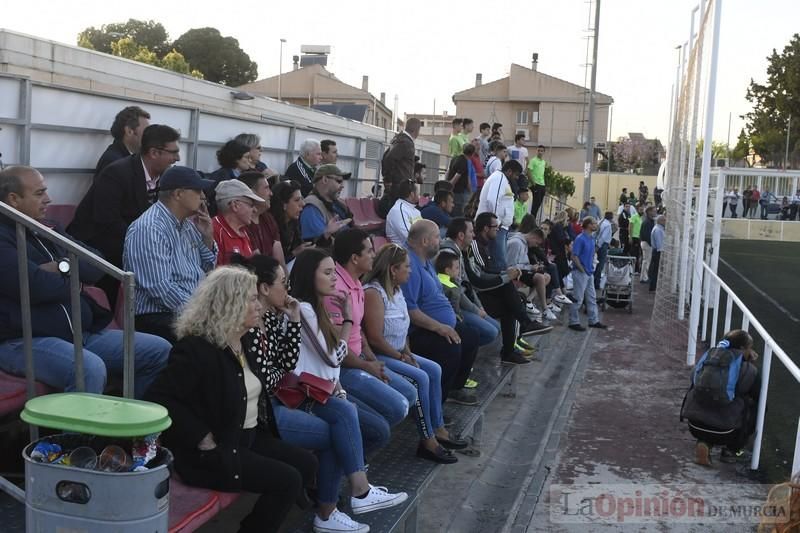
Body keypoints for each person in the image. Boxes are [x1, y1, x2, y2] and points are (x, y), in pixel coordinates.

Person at [143, 266, 318, 533]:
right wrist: (201, 436)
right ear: (230, 304)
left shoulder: (245, 340)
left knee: (307, 464)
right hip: (211, 451)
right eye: (250, 298)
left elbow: (277, 370)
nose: (258, 304)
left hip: (245, 437)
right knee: (288, 481)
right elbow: (159, 398)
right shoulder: (196, 348)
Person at [0, 166, 169, 397]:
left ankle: (138, 431)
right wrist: (74, 281)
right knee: (88, 368)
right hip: (24, 340)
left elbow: (97, 264)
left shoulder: (49, 228)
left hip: (80, 332)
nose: (48, 199)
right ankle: (77, 435)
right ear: (14, 199)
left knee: (158, 350)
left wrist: (62, 267)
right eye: (39, 193)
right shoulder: (3, 237)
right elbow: (35, 286)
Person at [287, 249, 409, 529]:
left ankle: (339, 499)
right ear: (309, 276)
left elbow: (330, 364)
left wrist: (339, 388)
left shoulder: (316, 309)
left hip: (325, 391)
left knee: (375, 429)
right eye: (327, 273)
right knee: (346, 422)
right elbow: (334, 357)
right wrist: (349, 319)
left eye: (333, 272)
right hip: (304, 395)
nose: (333, 279)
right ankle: (355, 493)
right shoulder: (303, 309)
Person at [363, 244, 468, 463]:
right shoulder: (374, 293)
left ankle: (438, 428)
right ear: (393, 269)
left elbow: (402, 329)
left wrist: (407, 352)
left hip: (399, 351)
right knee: (420, 378)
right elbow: (374, 338)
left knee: (434, 369)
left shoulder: (398, 290)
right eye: (406, 267)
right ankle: (427, 441)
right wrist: (401, 357)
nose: (410, 271)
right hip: (380, 355)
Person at [326, 230, 417, 450]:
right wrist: (368, 366)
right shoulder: (336, 289)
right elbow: (338, 349)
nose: (374, 255)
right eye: (369, 251)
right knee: (397, 407)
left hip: (360, 360)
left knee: (409, 394)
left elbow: (359, 330)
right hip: (344, 368)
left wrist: (371, 358)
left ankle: (356, 446)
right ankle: (350, 450)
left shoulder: (355, 283)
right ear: (354, 258)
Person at [123, 166, 218, 344]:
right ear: (178, 194)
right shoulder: (150, 228)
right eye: (197, 190)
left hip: (186, 309)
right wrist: (201, 313)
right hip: (157, 316)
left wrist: (207, 238)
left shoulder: (189, 225)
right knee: (213, 340)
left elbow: (207, 271)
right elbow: (160, 289)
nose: (203, 196)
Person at [69, 124, 181, 270]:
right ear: (154, 153)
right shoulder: (116, 174)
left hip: (131, 245)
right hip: (97, 249)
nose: (177, 158)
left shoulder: (165, 177)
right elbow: (107, 222)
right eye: (174, 152)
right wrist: (147, 243)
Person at [402, 220, 480, 405]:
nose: (441, 240)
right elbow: (409, 310)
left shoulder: (426, 260)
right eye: (437, 237)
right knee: (451, 348)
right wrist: (440, 328)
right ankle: (434, 404)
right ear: (425, 241)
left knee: (471, 336)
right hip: (419, 331)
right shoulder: (409, 265)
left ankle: (453, 389)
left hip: (440, 324)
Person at [469, 213, 553, 364]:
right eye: (496, 227)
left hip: (482, 290)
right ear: (486, 228)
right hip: (475, 295)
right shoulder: (475, 245)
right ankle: (525, 325)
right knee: (509, 289)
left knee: (512, 303)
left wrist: (505, 274)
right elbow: (479, 278)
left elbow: (486, 273)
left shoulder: (484, 245)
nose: (498, 230)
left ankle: (510, 351)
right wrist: (505, 276)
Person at [681, 330, 760, 466]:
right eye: (749, 348)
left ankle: (704, 442)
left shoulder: (706, 361)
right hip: (726, 431)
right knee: (757, 406)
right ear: (742, 349)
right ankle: (732, 451)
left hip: (695, 425)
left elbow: (693, 379)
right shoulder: (748, 370)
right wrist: (751, 364)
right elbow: (756, 394)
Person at [439, 218, 504, 355]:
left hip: (464, 301)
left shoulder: (460, 252)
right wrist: (476, 310)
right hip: (455, 306)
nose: (474, 235)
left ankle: (464, 351)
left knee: (497, 327)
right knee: (491, 332)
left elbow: (467, 284)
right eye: (471, 231)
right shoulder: (449, 254)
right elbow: (456, 291)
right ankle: (460, 353)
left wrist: (479, 306)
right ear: (461, 236)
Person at [477, 160, 523, 271]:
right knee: (499, 263)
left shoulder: (503, 180)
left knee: (498, 261)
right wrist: (496, 223)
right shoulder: (499, 179)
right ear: (509, 171)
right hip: (496, 227)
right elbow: (492, 201)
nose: (516, 178)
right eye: (516, 175)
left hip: (500, 227)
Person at [212, 179, 265, 265]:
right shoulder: (215, 231)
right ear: (235, 205)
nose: (255, 210)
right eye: (251, 205)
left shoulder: (244, 231)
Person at [299, 164, 353, 248]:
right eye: (338, 181)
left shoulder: (338, 203)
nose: (342, 186)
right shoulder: (311, 207)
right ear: (324, 180)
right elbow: (316, 247)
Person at [568, 217, 607, 331]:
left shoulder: (591, 238)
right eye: (594, 223)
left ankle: (593, 320)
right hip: (581, 272)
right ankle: (573, 321)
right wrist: (582, 269)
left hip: (588, 272)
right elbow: (574, 256)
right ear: (588, 225)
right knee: (578, 298)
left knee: (591, 297)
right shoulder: (580, 239)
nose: (596, 225)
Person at [238, 171, 284, 262]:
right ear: (251, 193)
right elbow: (258, 262)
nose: (271, 193)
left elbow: (279, 258)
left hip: (273, 273)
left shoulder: (268, 217)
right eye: (266, 188)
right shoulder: (242, 222)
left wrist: (285, 276)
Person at [95, 106, 150, 175]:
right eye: (146, 131)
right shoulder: (114, 162)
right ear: (129, 131)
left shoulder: (124, 158)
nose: (150, 136)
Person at [269, 180, 311, 267]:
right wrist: (294, 253)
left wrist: (325, 235)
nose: (302, 204)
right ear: (283, 204)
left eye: (302, 199)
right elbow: (272, 263)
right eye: (297, 200)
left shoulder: (293, 222)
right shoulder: (270, 226)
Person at [381, 118, 421, 187]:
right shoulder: (406, 142)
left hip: (398, 183)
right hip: (400, 185)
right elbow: (389, 158)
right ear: (416, 130)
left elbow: (386, 156)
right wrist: (388, 179)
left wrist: (387, 178)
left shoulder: (398, 138)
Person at [386, 179, 422, 244]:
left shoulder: (415, 210)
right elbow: (409, 237)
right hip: (402, 252)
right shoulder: (398, 211)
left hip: (416, 250)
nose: (420, 196)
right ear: (412, 194)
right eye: (418, 193)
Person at [446, 143, 477, 216]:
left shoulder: (455, 158)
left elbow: (448, 172)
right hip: (459, 191)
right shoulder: (464, 162)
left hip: (453, 190)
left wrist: (447, 184)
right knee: (458, 211)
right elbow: (458, 176)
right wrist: (470, 191)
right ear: (472, 154)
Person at [594, 211, 613, 290]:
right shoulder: (608, 225)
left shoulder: (600, 222)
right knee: (600, 264)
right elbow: (604, 237)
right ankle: (596, 282)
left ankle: (594, 280)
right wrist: (598, 246)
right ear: (611, 218)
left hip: (596, 242)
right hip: (603, 244)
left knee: (596, 263)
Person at [527, 145, 547, 218]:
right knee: (536, 202)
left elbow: (542, 173)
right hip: (536, 184)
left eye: (541, 151)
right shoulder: (533, 160)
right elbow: (528, 171)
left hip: (542, 184)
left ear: (544, 152)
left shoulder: (544, 162)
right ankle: (532, 218)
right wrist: (533, 183)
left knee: (539, 203)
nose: (540, 152)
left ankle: (533, 218)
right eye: (538, 150)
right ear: (536, 151)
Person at [648, 214, 666, 293]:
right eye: (664, 220)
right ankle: (653, 287)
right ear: (661, 221)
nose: (666, 222)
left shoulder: (658, 228)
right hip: (658, 252)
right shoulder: (658, 230)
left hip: (656, 251)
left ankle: (653, 286)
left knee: (655, 269)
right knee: (656, 270)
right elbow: (659, 243)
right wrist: (662, 253)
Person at [639, 206, 656, 283]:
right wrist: (652, 244)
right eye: (653, 211)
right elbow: (647, 235)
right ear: (649, 212)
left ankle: (644, 276)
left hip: (645, 243)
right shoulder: (647, 222)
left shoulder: (648, 221)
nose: (655, 212)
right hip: (647, 243)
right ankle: (644, 277)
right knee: (646, 261)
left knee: (646, 260)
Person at [629, 203, 644, 273]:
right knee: (634, 253)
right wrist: (630, 237)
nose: (642, 211)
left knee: (639, 254)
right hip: (635, 237)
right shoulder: (634, 217)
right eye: (640, 210)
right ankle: (634, 269)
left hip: (639, 237)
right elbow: (630, 227)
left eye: (642, 210)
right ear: (637, 210)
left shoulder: (641, 218)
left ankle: (637, 269)